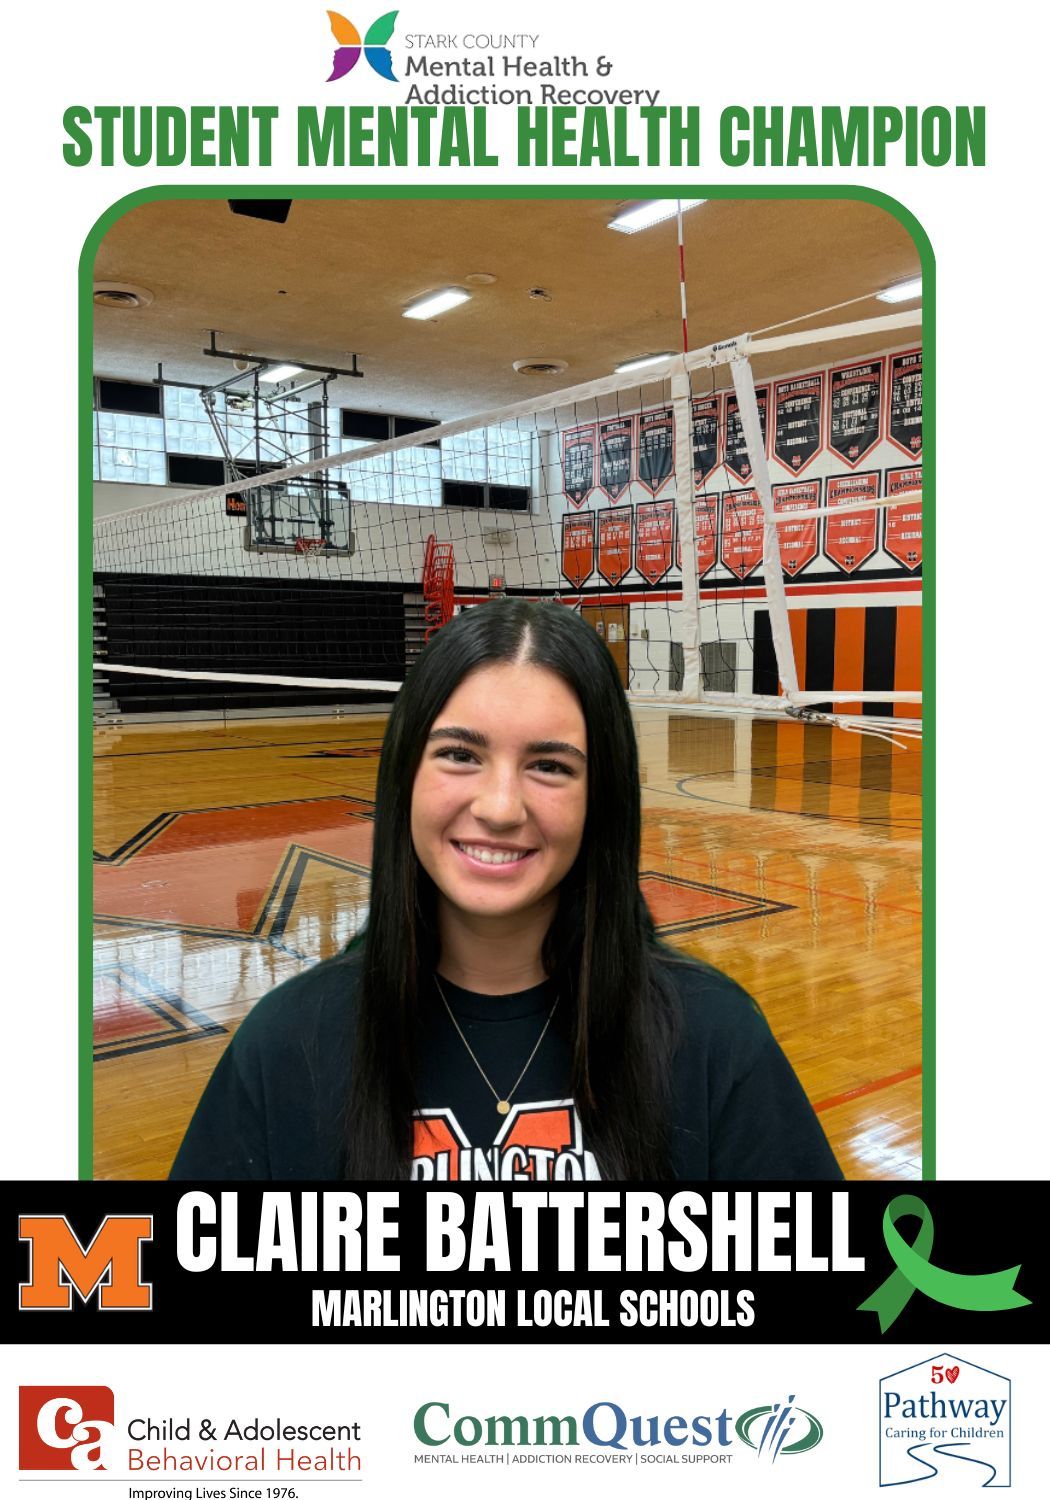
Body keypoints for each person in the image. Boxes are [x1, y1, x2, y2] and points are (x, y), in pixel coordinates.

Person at [170, 599, 842, 1181]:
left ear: (600, 800)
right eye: (460, 754)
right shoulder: (289, 1045)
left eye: (549, 766)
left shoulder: (713, 1039)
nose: (499, 807)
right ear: (404, 775)